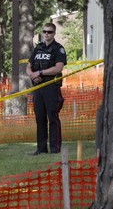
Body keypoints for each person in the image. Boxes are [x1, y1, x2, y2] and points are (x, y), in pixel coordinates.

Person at [26, 23, 67, 155]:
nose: (46, 34)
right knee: (40, 118)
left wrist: (41, 73)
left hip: (51, 87)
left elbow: (58, 68)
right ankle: (41, 149)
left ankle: (55, 149)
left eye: (49, 32)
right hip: (38, 87)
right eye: (44, 32)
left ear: (54, 33)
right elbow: (29, 66)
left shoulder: (58, 49)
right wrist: (32, 75)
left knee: (52, 117)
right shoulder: (38, 48)